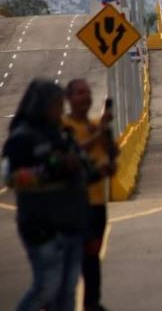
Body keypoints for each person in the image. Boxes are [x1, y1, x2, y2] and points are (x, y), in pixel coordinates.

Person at [1, 79, 92, 311]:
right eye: (56, 104)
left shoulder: (61, 134)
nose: (61, 110)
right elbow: (10, 177)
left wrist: (77, 164)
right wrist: (50, 169)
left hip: (71, 223)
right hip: (41, 226)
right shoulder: (22, 138)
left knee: (67, 291)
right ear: (42, 106)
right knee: (47, 287)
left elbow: (82, 162)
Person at [63, 79, 117, 311]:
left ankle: (92, 302)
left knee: (93, 258)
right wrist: (97, 135)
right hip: (72, 204)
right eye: (79, 93)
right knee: (71, 259)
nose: (85, 97)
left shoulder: (96, 125)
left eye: (87, 93)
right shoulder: (63, 127)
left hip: (96, 202)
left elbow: (113, 153)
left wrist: (105, 132)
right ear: (69, 98)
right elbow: (70, 153)